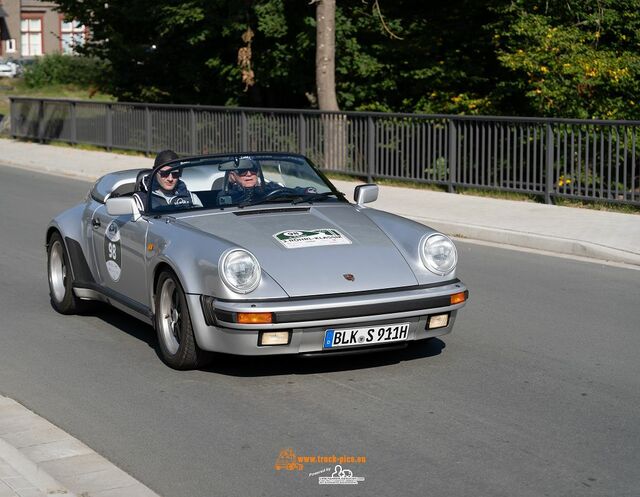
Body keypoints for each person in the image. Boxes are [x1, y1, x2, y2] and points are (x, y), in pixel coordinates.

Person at [134, 150, 202, 210]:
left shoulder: (191, 198)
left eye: (175, 173)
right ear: (155, 172)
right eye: (165, 173)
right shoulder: (141, 200)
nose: (170, 179)